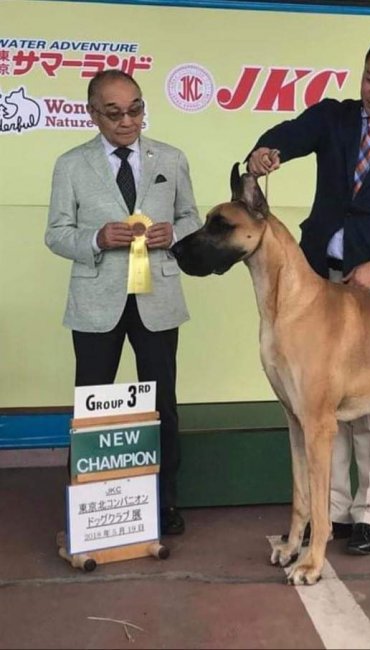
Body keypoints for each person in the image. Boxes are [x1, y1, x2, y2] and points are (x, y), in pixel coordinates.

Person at [247, 32, 370, 554]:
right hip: (316, 281)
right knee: (318, 406)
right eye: (368, 78)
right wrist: (266, 151)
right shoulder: (333, 117)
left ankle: (369, 514)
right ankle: (328, 511)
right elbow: (287, 134)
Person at [45, 69, 202, 535]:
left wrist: (175, 232)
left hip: (159, 298)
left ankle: (165, 501)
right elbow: (55, 233)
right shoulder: (71, 164)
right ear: (93, 114)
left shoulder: (170, 159)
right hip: (96, 302)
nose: (127, 121)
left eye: (136, 109)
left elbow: (192, 217)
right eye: (114, 113)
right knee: (93, 402)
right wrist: (96, 237)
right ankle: (88, 501)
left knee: (163, 404)